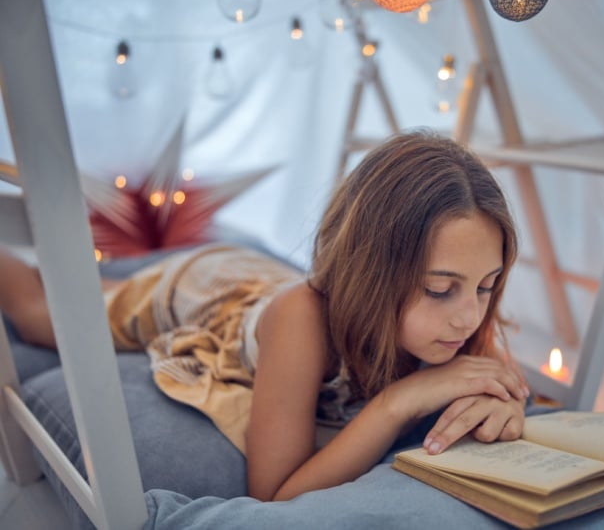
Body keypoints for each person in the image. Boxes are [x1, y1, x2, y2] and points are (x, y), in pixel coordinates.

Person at [0, 130, 529, 503]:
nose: (469, 317)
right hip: (209, 293)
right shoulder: (302, 321)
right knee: (43, 316)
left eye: (486, 286)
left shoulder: (463, 325)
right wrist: (397, 402)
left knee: (106, 286)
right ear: (372, 272)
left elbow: (492, 387)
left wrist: (500, 406)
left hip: (254, 278)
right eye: (440, 289)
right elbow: (275, 494)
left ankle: (108, 278)